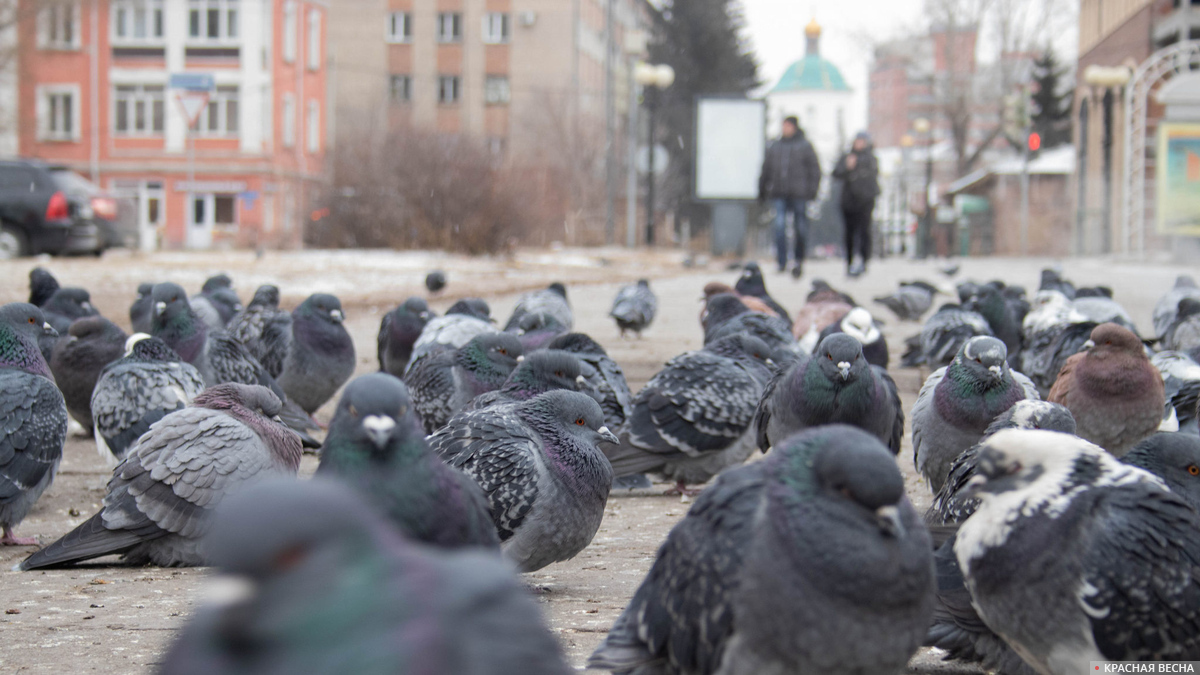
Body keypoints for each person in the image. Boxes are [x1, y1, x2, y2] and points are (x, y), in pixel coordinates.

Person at [758, 116, 821, 278]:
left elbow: (815, 170)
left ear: (794, 127)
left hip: (799, 194)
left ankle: (798, 259)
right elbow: (766, 170)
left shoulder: (805, 146)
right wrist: (762, 190)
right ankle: (781, 261)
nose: (784, 129)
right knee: (779, 227)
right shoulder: (775, 146)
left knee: (800, 228)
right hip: (779, 193)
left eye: (787, 126)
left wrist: (812, 192)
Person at [833, 132, 880, 278]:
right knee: (849, 232)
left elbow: (873, 175)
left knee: (864, 231)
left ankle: (864, 260)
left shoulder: (871, 158)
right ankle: (849, 261)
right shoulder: (847, 157)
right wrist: (848, 167)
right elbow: (836, 174)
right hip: (849, 201)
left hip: (865, 200)